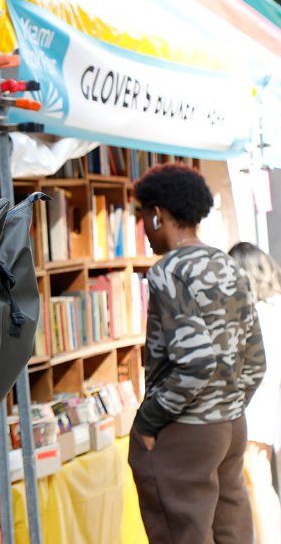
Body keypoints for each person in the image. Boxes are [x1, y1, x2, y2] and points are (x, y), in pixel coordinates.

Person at [129, 163, 265, 544]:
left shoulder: (167, 272)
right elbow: (256, 361)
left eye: (144, 216)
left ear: (157, 214)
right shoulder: (230, 266)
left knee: (181, 532)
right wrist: (230, 406)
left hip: (185, 430)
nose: (145, 228)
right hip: (232, 427)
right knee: (232, 530)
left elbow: (196, 361)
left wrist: (147, 422)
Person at [229, 241, 281, 544]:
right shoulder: (274, 305)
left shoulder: (255, 312)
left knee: (256, 478)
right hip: (268, 398)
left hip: (255, 400)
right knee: (261, 478)